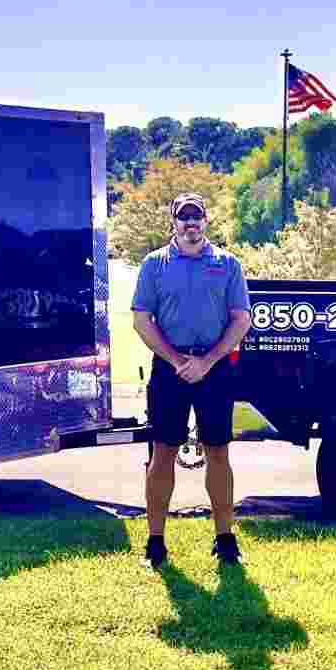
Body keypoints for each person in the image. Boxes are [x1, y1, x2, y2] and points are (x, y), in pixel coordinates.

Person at [131, 193, 253, 569]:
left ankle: (225, 540)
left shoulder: (228, 264)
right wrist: (177, 360)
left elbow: (241, 319)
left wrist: (208, 360)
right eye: (183, 217)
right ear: (174, 223)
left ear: (206, 221)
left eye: (196, 216)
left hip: (215, 369)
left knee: (218, 452)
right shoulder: (155, 265)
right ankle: (155, 544)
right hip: (171, 369)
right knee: (163, 452)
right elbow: (141, 319)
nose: (190, 223)